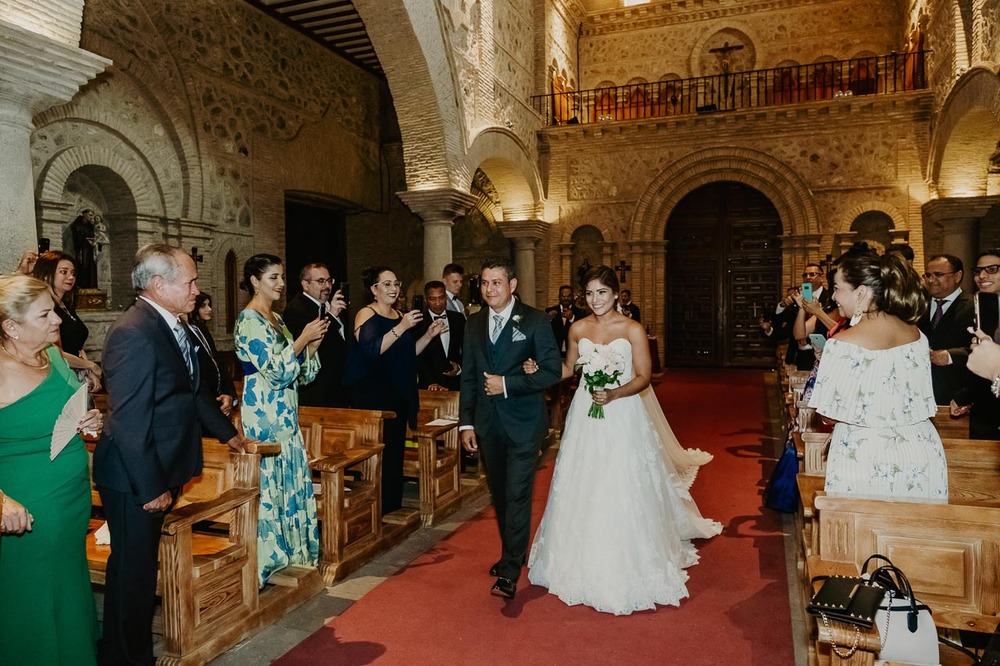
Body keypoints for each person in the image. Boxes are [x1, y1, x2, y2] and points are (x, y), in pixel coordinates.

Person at [525, 265, 721, 615]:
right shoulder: (577, 328)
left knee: (620, 478)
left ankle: (629, 552)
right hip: (587, 411)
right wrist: (539, 372)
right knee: (583, 477)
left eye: (601, 292)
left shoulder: (632, 329)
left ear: (615, 294)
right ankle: (576, 553)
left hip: (622, 409)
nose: (595, 299)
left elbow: (644, 376)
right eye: (589, 293)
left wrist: (614, 393)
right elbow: (570, 368)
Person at [95, 244, 250, 664]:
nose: (198, 290)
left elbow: (188, 393)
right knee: (134, 577)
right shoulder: (134, 332)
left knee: (137, 572)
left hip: (157, 467)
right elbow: (128, 420)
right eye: (191, 281)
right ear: (158, 284)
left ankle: (119, 653)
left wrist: (229, 434)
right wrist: (150, 487)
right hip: (134, 477)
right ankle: (129, 659)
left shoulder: (168, 324)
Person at [0, 274, 104, 665]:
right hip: (24, 507)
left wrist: (89, 419)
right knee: (28, 599)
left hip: (71, 501)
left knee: (65, 591)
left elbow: (65, 413)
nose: (57, 320)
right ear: (11, 326)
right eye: (45, 315)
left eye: (55, 310)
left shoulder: (56, 355)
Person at [458, 257, 562, 600]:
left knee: (518, 493)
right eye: (485, 283)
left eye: (497, 282)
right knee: (500, 494)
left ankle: (510, 571)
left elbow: (550, 371)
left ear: (512, 285)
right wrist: (467, 423)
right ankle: (511, 553)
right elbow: (470, 377)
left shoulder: (534, 320)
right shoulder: (473, 324)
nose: (490, 289)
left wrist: (508, 384)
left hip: (523, 423)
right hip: (487, 424)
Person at [808, 252, 947, 500]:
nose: (835, 297)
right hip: (921, 451)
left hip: (865, 454)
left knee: (861, 535)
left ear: (860, 292)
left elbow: (827, 415)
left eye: (838, 288)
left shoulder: (842, 344)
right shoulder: (916, 333)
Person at [234, 254, 327, 586]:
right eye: (273, 277)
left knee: (290, 476)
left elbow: (299, 374)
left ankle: (293, 551)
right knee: (272, 480)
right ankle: (271, 556)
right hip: (263, 411)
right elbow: (274, 372)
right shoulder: (248, 320)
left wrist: (312, 347)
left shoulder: (276, 318)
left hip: (287, 410)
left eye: (282, 277)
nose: (280, 283)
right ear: (255, 281)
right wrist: (302, 339)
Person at [344, 266, 447, 514]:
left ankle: (391, 507)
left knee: (394, 456)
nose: (394, 288)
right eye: (387, 284)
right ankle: (371, 511)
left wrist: (429, 336)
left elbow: (406, 357)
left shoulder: (398, 315)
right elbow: (371, 351)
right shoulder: (365, 315)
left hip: (396, 396)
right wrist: (401, 327)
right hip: (372, 397)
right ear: (374, 289)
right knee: (376, 457)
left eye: (396, 283)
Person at [31, 251, 103, 389]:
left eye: (73, 273)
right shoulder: (43, 309)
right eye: (64, 272)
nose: (71, 277)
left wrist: (88, 371)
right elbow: (51, 353)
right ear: (46, 275)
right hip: (57, 376)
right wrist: (91, 365)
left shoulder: (66, 305)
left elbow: (78, 347)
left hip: (76, 372)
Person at [283, 262, 349, 407]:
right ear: (305, 285)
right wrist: (332, 315)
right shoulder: (296, 309)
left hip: (336, 387)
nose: (327, 286)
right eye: (320, 281)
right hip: (316, 391)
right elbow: (313, 346)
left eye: (329, 280)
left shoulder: (328, 306)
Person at [950, 249, 1000, 438]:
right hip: (986, 413)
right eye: (978, 271)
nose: (982, 276)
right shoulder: (983, 309)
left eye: (992, 269)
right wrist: (966, 396)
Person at [918, 254, 975, 405]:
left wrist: (951, 356)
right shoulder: (918, 305)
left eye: (938, 275)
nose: (930, 280)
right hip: (918, 395)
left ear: (957, 276)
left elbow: (988, 350)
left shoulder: (974, 307)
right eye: (928, 275)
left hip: (955, 397)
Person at [188, 292, 238, 417]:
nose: (209, 309)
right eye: (203, 306)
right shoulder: (186, 331)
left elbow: (217, 363)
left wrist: (229, 393)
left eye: (209, 305)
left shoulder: (201, 329)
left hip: (216, 398)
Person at [413, 280, 465, 391]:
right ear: (426, 300)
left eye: (441, 298)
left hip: (455, 385)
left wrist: (459, 367)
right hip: (428, 387)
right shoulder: (417, 322)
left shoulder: (458, 319)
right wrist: (431, 382)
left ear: (446, 297)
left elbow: (468, 349)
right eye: (432, 299)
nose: (438, 303)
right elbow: (416, 356)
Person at [63, 209, 98, 289]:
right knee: (83, 265)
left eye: (92, 215)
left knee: (91, 267)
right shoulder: (78, 224)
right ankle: (81, 284)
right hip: (82, 249)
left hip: (89, 249)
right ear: (84, 214)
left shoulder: (90, 225)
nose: (91, 217)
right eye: (90, 215)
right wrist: (85, 240)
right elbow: (77, 237)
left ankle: (91, 285)